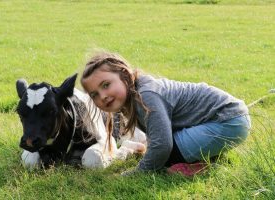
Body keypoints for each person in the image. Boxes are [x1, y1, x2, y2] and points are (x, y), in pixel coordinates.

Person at [80, 51, 251, 175]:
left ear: (124, 75)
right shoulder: (136, 93)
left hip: (228, 121)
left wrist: (137, 173)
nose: (102, 96)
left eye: (106, 85)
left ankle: (197, 165)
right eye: (94, 94)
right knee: (158, 151)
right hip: (227, 121)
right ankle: (205, 157)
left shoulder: (145, 96)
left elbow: (162, 145)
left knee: (162, 155)